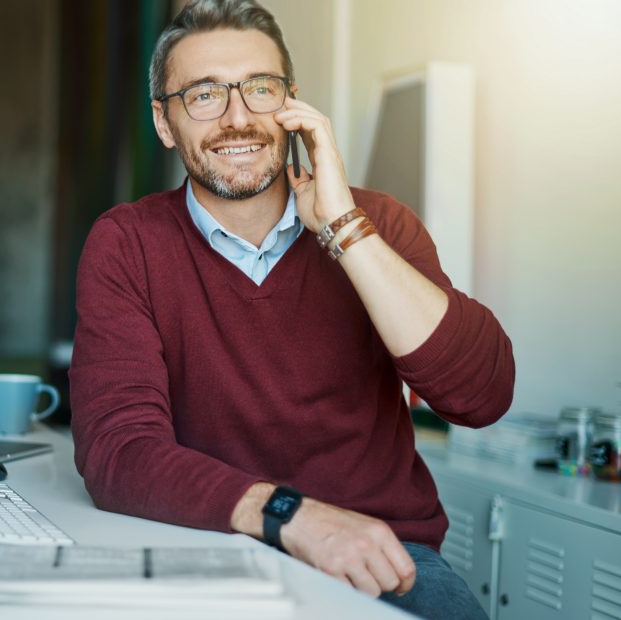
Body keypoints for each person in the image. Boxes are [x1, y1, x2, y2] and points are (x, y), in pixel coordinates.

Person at [69, 1, 514, 617]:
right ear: (165, 123)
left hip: (383, 555)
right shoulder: (128, 243)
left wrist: (345, 231)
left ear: (293, 104)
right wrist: (289, 514)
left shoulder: (377, 223)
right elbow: (117, 451)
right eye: (203, 94)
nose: (237, 118)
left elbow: (481, 398)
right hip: (211, 545)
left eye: (259, 89)